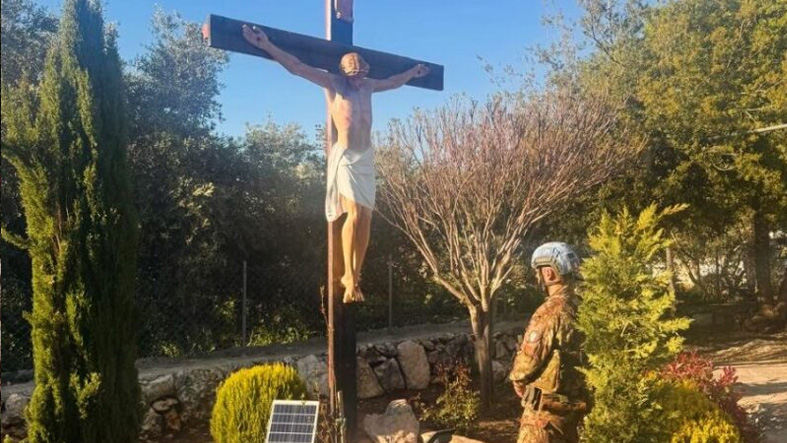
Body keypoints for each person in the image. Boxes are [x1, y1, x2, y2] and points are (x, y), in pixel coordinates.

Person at [242, 24, 429, 303]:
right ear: (344, 72)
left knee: (366, 216)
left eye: (361, 74)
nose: (357, 79)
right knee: (353, 214)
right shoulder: (334, 84)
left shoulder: (369, 86)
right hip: (346, 157)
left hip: (366, 157)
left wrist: (412, 73)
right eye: (353, 75)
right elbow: (297, 66)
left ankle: (356, 273)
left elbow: (393, 81)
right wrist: (266, 45)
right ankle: (349, 277)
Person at [510, 242, 588, 443]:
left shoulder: (550, 312)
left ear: (549, 274)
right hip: (572, 411)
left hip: (544, 416)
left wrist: (518, 381)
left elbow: (527, 362)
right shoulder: (582, 307)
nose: (538, 277)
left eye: (539, 272)